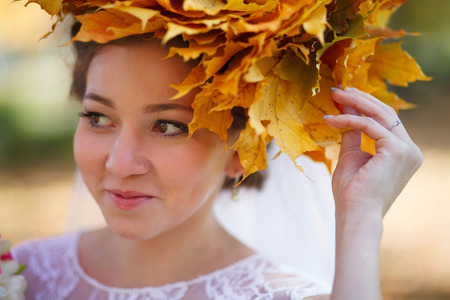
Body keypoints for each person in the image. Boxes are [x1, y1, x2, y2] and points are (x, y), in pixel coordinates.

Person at [12, 1, 424, 299]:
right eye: (99, 118)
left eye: (168, 126)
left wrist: (361, 216)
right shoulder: (22, 275)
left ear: (242, 150)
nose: (120, 163)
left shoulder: (286, 296)